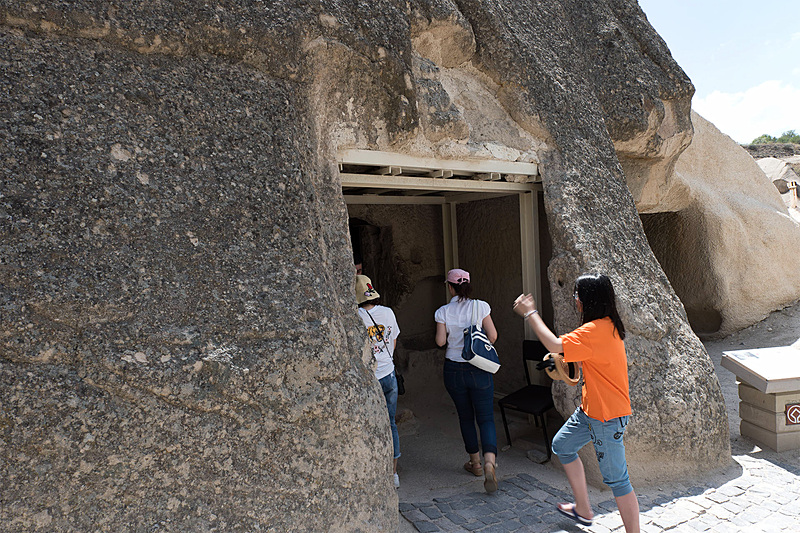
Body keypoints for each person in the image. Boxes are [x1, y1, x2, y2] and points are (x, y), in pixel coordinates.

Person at [513, 273, 640, 532]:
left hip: (606, 416)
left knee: (618, 481)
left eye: (576, 296)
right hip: (591, 411)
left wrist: (530, 312)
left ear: (587, 301)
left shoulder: (593, 331)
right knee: (562, 446)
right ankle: (583, 509)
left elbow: (555, 344)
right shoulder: (608, 325)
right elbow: (583, 362)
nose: (575, 300)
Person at [434, 268, 500, 493]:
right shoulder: (480, 306)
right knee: (486, 418)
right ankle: (490, 461)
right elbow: (492, 336)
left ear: (450, 287)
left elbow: (441, 342)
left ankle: (476, 464)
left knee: (465, 416)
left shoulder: (443, 311)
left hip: (454, 369)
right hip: (479, 368)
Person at [355, 274, 402, 488]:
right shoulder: (388, 312)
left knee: (369, 424)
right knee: (391, 423)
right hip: (389, 373)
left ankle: (373, 468)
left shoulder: (356, 317)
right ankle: (393, 474)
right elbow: (393, 341)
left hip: (370, 377)